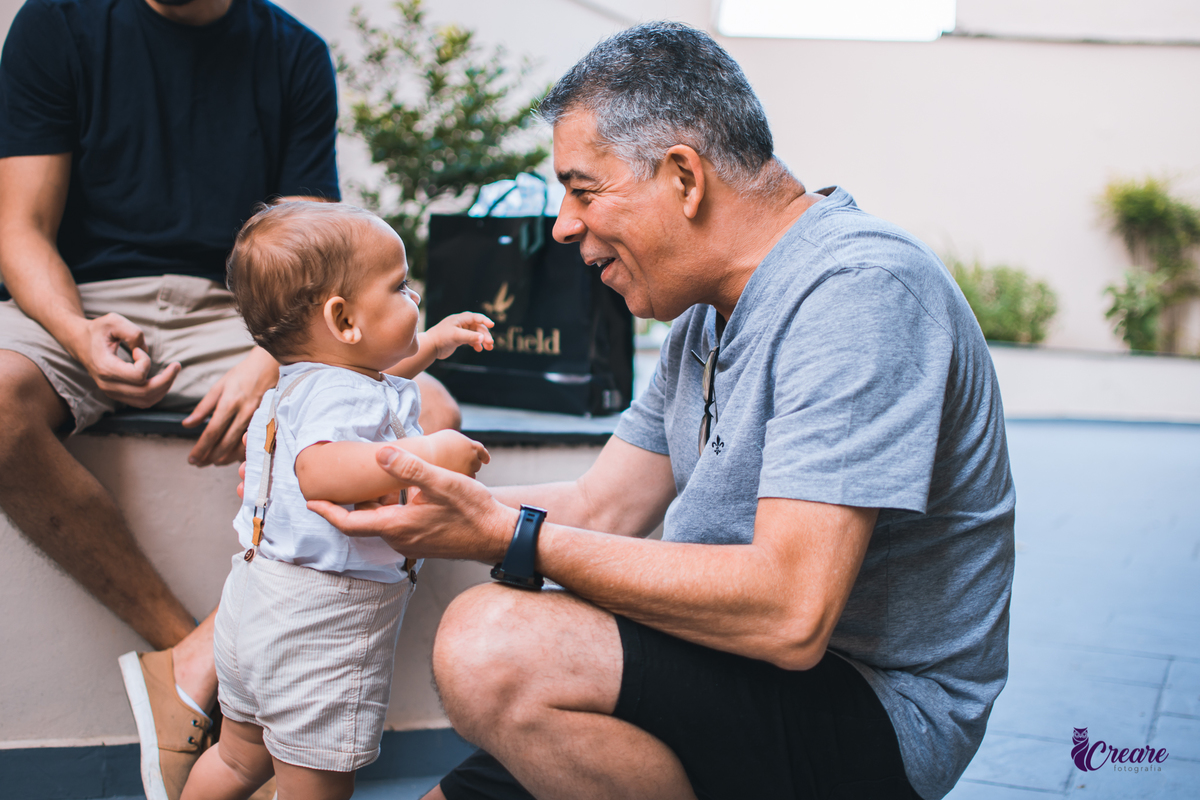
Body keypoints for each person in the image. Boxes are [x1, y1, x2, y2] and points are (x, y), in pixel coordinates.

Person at [309, 21, 1017, 800]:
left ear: (684, 176)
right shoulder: (703, 320)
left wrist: (507, 535)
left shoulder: (861, 292)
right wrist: (405, 498)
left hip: (868, 713)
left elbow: (791, 611)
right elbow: (599, 506)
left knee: (491, 645)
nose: (562, 225)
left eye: (583, 189)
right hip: (712, 665)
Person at [0, 1, 459, 798]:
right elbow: (19, 227)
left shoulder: (294, 53)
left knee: (432, 407)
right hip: (86, 295)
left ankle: (202, 673)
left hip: (240, 313)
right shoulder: (57, 22)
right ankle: (191, 654)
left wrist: (267, 358)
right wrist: (75, 333)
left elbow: (317, 253)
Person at [173, 201, 491, 800]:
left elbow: (380, 377)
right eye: (400, 287)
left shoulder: (306, 380)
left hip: (257, 601)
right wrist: (435, 454)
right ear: (343, 319)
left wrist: (433, 344)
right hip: (321, 618)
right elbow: (321, 472)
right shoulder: (338, 398)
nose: (414, 299)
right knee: (314, 784)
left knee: (239, 760)